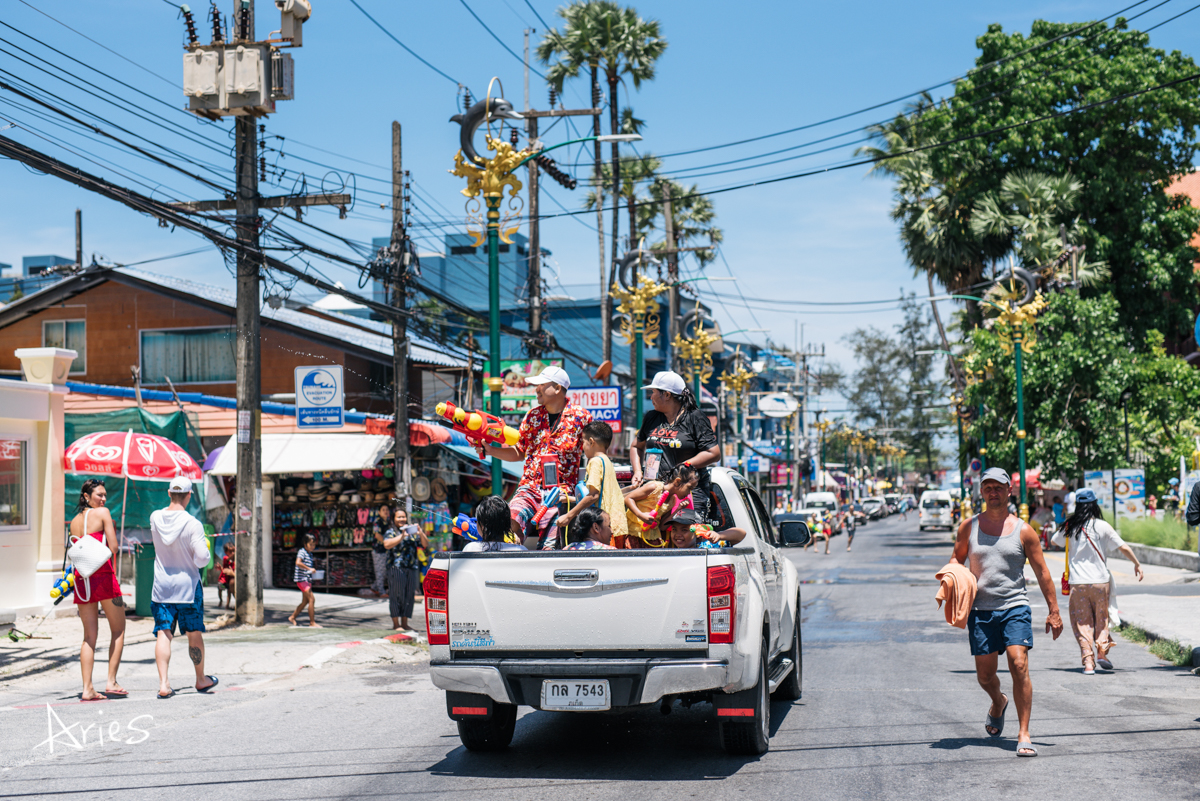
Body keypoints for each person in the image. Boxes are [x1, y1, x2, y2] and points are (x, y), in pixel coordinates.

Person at [950, 467, 1062, 757]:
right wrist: (954, 584)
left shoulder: (1024, 531)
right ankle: (998, 702)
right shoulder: (968, 527)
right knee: (985, 677)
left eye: (998, 487)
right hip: (981, 610)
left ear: (1008, 490)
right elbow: (955, 561)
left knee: (1018, 662)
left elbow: (1042, 572)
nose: (993, 491)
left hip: (1015, 606)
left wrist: (1054, 610)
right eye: (987, 487)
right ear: (981, 491)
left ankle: (1023, 733)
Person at [480, 365, 591, 547]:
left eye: (541, 384)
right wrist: (490, 451)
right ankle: (513, 556)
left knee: (550, 545)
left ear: (557, 388)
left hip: (560, 493)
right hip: (529, 488)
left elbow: (593, 453)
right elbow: (519, 451)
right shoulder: (532, 417)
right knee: (511, 520)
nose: (536, 389)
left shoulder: (581, 417)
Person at [1051, 488, 1144, 674]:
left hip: (1078, 583)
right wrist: (1136, 563)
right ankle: (1102, 651)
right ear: (1094, 505)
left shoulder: (1070, 526)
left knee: (1082, 623)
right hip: (1101, 582)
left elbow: (1054, 541)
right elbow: (1123, 546)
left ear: (1077, 506)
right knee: (1102, 618)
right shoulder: (1103, 526)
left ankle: (1088, 663)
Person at [150, 477, 218, 699]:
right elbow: (201, 559)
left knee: (163, 632)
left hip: (162, 586)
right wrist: (204, 554)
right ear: (189, 496)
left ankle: (163, 683)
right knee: (194, 633)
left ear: (169, 493)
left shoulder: (155, 518)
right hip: (188, 587)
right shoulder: (193, 524)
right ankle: (200, 679)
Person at [630, 371, 720, 519]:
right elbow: (636, 446)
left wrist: (683, 467)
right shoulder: (652, 417)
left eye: (653, 392)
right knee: (653, 537)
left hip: (688, 493)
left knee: (683, 538)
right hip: (655, 492)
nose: (650, 397)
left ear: (667, 395)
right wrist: (638, 471)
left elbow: (713, 453)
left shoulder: (695, 417)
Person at [68, 479, 126, 701]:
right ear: (86, 496)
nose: (103, 499)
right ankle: (111, 681)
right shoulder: (103, 513)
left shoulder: (73, 522)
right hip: (104, 578)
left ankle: (87, 688)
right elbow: (113, 548)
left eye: (104, 495)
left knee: (89, 636)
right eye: (99, 495)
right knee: (118, 630)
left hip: (83, 581)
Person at [556, 421, 628, 546]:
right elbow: (602, 495)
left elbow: (593, 495)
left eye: (583, 442)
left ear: (591, 441)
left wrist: (569, 516)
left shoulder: (595, 462)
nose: (582, 447)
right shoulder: (607, 461)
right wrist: (569, 499)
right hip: (617, 525)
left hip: (603, 527)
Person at [624, 463, 700, 548]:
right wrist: (641, 515)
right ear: (677, 481)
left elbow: (663, 526)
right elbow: (628, 498)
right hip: (635, 533)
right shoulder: (654, 487)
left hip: (652, 537)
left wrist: (678, 509)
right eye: (689, 488)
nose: (688, 493)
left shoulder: (672, 500)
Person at [380, 507, 428, 631]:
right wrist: (402, 536)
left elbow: (425, 544)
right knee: (396, 595)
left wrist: (420, 532)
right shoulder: (391, 532)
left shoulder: (411, 533)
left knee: (409, 596)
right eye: (399, 517)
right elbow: (386, 544)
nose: (402, 519)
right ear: (394, 519)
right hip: (396, 568)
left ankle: (405, 623)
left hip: (411, 567)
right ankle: (396, 625)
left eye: (403, 517)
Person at [463, 496, 527, 552]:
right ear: (508, 524)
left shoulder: (470, 549)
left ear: (482, 526)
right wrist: (518, 546)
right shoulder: (520, 550)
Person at [664, 508, 747, 549]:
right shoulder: (670, 551)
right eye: (674, 529)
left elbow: (741, 533)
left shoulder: (707, 546)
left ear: (697, 532)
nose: (678, 534)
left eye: (684, 530)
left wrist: (719, 535)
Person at [289, 533, 320, 628]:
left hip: (306, 580)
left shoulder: (309, 554)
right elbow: (298, 562)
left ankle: (292, 617)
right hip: (302, 580)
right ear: (305, 544)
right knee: (312, 599)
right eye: (310, 544)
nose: (312, 546)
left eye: (314, 544)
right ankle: (312, 622)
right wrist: (309, 569)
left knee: (305, 601)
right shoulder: (302, 552)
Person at [370, 503, 391, 598]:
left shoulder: (388, 522)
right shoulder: (377, 522)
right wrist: (387, 543)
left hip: (386, 550)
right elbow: (377, 535)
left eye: (387, 509)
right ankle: (381, 592)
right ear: (379, 512)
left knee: (385, 571)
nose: (385, 511)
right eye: (383, 510)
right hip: (378, 550)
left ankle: (374, 587)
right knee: (380, 571)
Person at [216, 542, 235, 610]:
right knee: (220, 588)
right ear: (225, 552)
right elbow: (228, 559)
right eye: (230, 551)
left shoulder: (234, 559)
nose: (232, 553)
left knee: (229, 591)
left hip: (229, 579)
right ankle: (221, 599)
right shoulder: (225, 558)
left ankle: (227, 604)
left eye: (233, 551)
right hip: (223, 579)